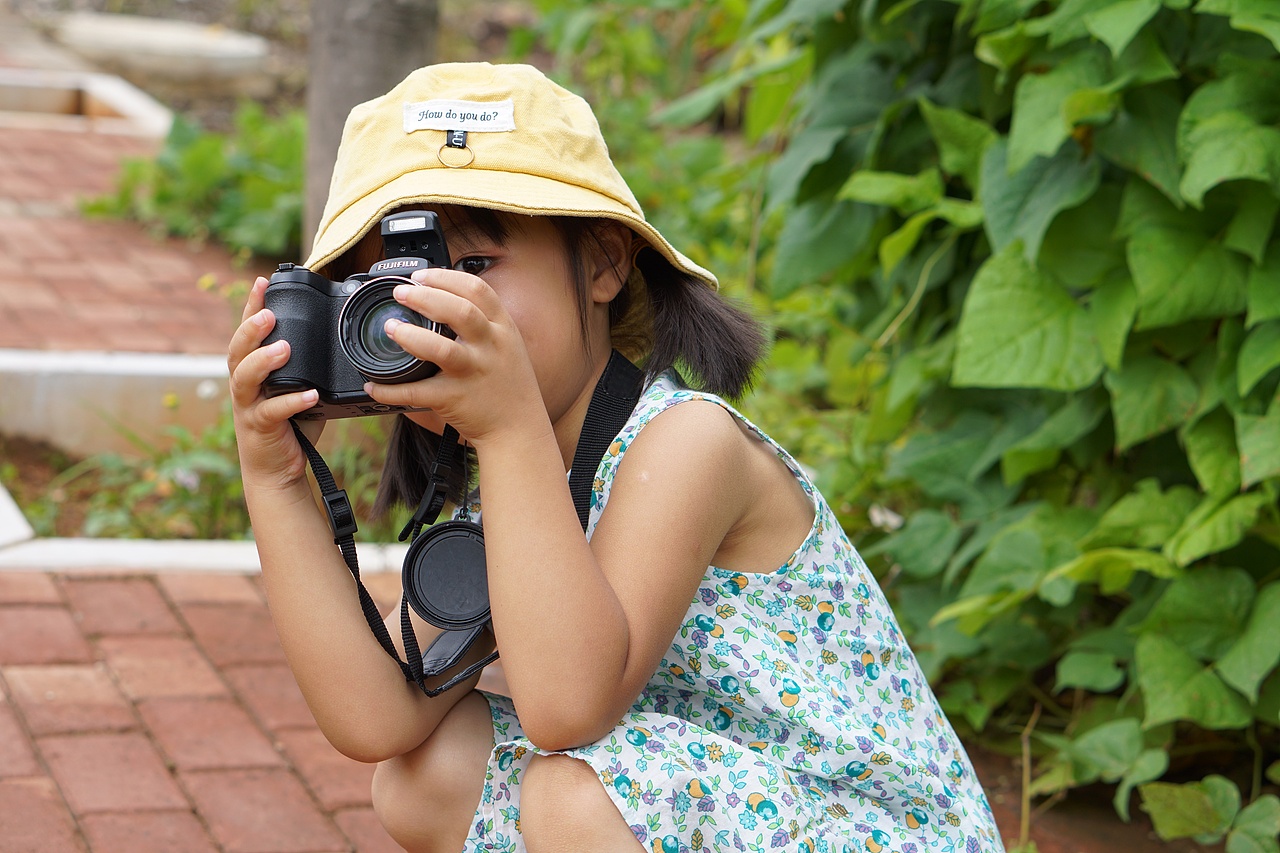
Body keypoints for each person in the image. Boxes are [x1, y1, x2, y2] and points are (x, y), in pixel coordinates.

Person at [228, 62, 1004, 853]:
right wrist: (278, 480)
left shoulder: (688, 443)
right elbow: (376, 713)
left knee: (570, 796)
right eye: (381, 290)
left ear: (603, 263)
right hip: (740, 814)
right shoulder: (516, 480)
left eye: (472, 268)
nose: (432, 314)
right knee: (424, 773)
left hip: (876, 829)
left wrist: (505, 429)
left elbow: (569, 709)